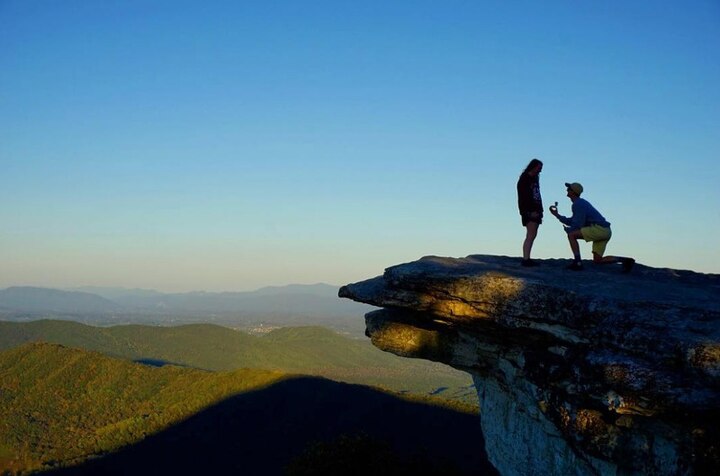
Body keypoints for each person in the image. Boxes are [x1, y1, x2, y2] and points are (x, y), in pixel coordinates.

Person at [549, 182, 635, 272]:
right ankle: (625, 260)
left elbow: (578, 224)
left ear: (573, 192)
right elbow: (574, 221)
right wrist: (557, 215)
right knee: (597, 260)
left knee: (571, 235)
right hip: (606, 231)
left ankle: (578, 262)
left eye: (569, 189)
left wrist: (569, 230)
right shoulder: (581, 203)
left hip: (599, 229)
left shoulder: (578, 204)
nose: (567, 190)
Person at [517, 158, 543, 266]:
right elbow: (523, 198)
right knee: (530, 235)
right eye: (539, 168)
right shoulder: (525, 179)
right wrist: (527, 212)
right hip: (529, 210)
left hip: (536, 209)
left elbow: (537, 194)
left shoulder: (534, 179)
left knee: (533, 234)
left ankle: (527, 258)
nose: (540, 171)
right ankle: (526, 259)